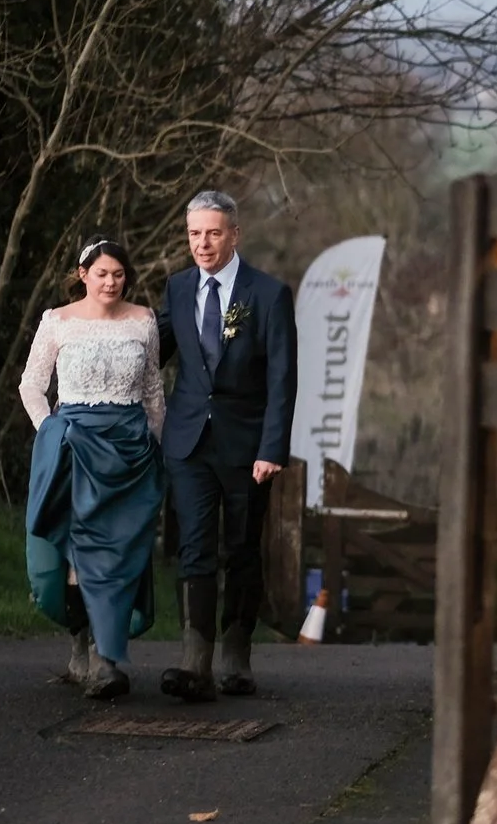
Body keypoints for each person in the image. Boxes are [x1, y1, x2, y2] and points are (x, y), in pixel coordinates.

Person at [156, 189, 296, 698]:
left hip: (246, 446)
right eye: (194, 233)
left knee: (240, 548)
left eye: (213, 232)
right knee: (194, 547)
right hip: (189, 442)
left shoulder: (268, 294)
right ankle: (195, 660)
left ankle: (236, 654)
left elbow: (283, 379)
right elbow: (150, 349)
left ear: (234, 234)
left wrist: (272, 447)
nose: (203, 243)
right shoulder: (176, 289)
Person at [19, 236, 165, 701]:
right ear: (83, 275)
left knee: (119, 553)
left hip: (129, 449)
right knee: (78, 552)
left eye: (119, 275)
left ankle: (109, 660)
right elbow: (31, 386)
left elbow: (154, 393)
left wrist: (151, 443)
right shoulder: (56, 321)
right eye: (102, 274)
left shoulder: (143, 321)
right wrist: (51, 434)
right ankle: (80, 643)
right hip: (74, 446)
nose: (111, 282)